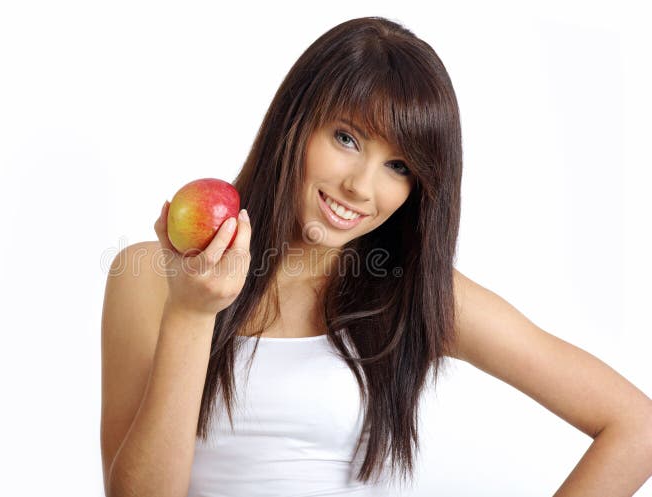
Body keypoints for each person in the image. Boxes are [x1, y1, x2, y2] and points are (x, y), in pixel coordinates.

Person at [101, 16, 652, 497]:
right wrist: (193, 314)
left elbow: (636, 426)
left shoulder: (414, 294)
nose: (362, 187)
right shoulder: (155, 276)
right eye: (347, 138)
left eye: (400, 166)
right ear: (296, 121)